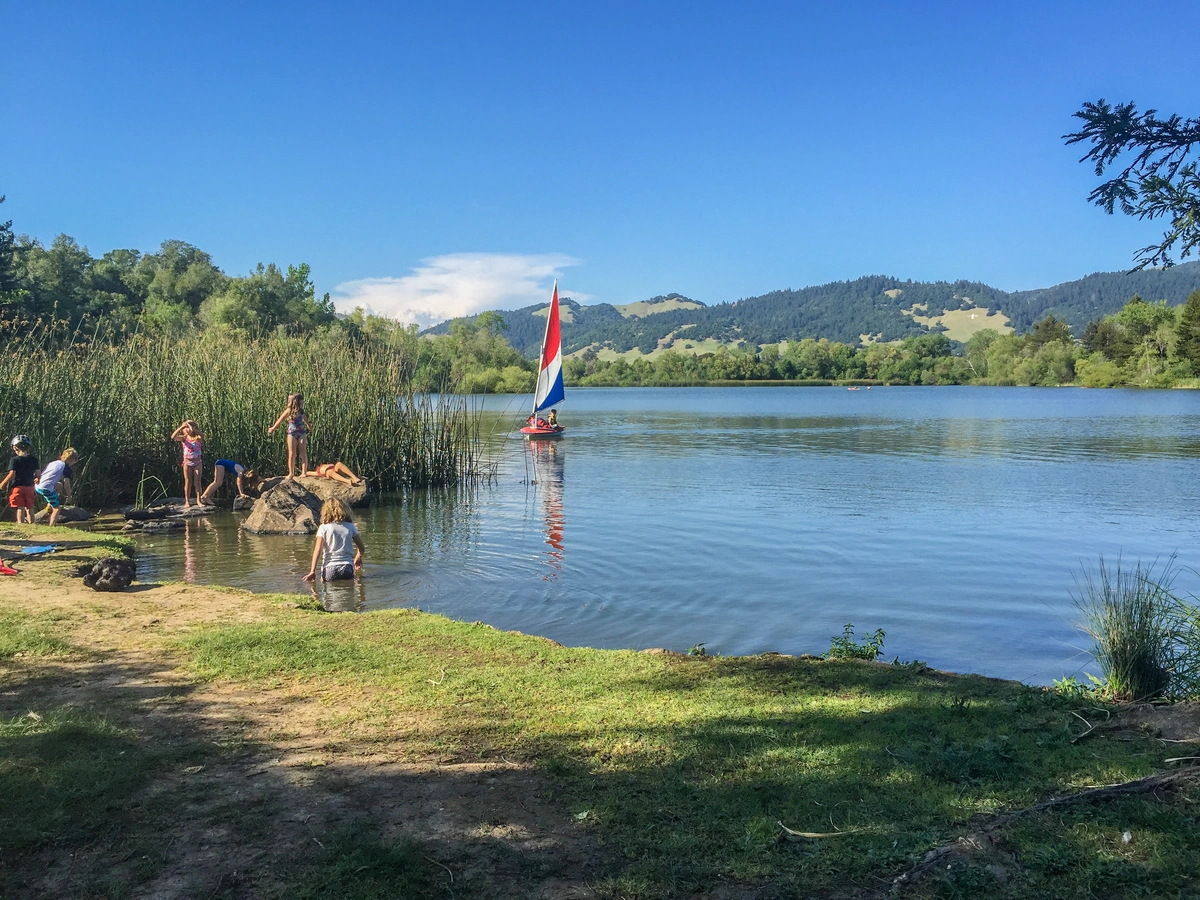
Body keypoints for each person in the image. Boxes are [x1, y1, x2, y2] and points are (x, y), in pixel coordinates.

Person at [303, 498, 364, 583]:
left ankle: (315, 595)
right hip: (347, 567)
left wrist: (312, 571)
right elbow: (361, 548)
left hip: (329, 568)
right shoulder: (350, 526)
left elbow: (318, 550)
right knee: (348, 593)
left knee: (326, 591)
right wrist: (358, 557)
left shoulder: (323, 527)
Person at [269, 393, 309, 478]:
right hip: (292, 433)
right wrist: (273, 428)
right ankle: (291, 473)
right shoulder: (289, 411)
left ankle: (304, 472)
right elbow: (280, 419)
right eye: (301, 400)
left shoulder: (301, 411)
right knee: (292, 453)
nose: (302, 402)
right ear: (296, 401)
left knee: (303, 452)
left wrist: (309, 426)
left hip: (301, 433)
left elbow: (305, 419)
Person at [0, 435, 39, 524]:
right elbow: (38, 473)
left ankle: (21, 525)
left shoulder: (14, 460)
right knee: (29, 507)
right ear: (29, 448)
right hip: (29, 487)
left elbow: (12, 474)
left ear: (15, 447)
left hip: (18, 487)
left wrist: (2, 484)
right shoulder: (33, 459)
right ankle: (32, 524)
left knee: (20, 507)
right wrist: (37, 479)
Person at [36, 447, 78, 527]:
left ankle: (49, 505)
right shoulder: (66, 468)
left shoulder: (54, 463)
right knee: (57, 508)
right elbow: (67, 483)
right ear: (72, 459)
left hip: (38, 485)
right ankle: (51, 526)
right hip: (46, 488)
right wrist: (69, 496)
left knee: (59, 485)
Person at [170, 420, 204, 507]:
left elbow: (202, 435)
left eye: (188, 428)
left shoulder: (198, 437)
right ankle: (187, 501)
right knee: (188, 482)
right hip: (187, 462)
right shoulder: (184, 438)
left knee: (197, 482)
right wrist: (181, 427)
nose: (187, 430)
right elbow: (173, 437)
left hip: (197, 462)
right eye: (186, 428)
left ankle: (199, 501)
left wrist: (193, 429)